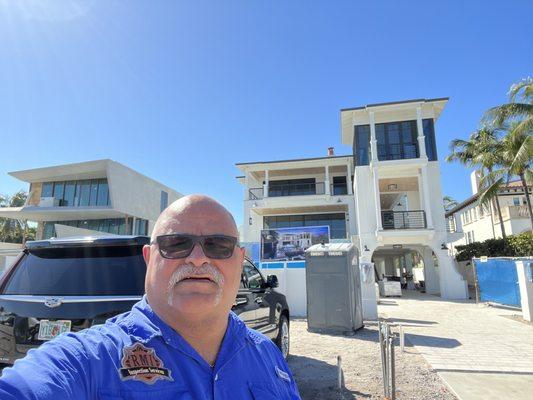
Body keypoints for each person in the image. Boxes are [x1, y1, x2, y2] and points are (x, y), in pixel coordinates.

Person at [0, 195, 301, 399]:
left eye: (218, 245)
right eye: (176, 243)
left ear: (239, 259)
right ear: (149, 257)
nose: (197, 259)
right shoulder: (87, 361)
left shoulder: (268, 355)